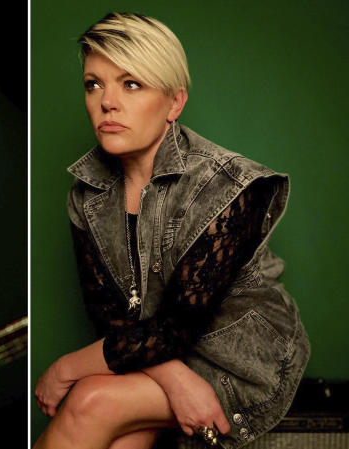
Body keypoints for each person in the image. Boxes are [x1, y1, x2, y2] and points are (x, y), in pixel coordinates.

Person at [33, 13, 309, 449]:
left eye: (131, 84)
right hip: (155, 358)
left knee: (90, 400)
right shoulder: (88, 192)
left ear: (174, 102)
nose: (107, 102)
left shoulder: (229, 185)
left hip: (240, 365)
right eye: (94, 83)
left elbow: (176, 328)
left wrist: (64, 369)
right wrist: (179, 383)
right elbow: (109, 314)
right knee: (113, 429)